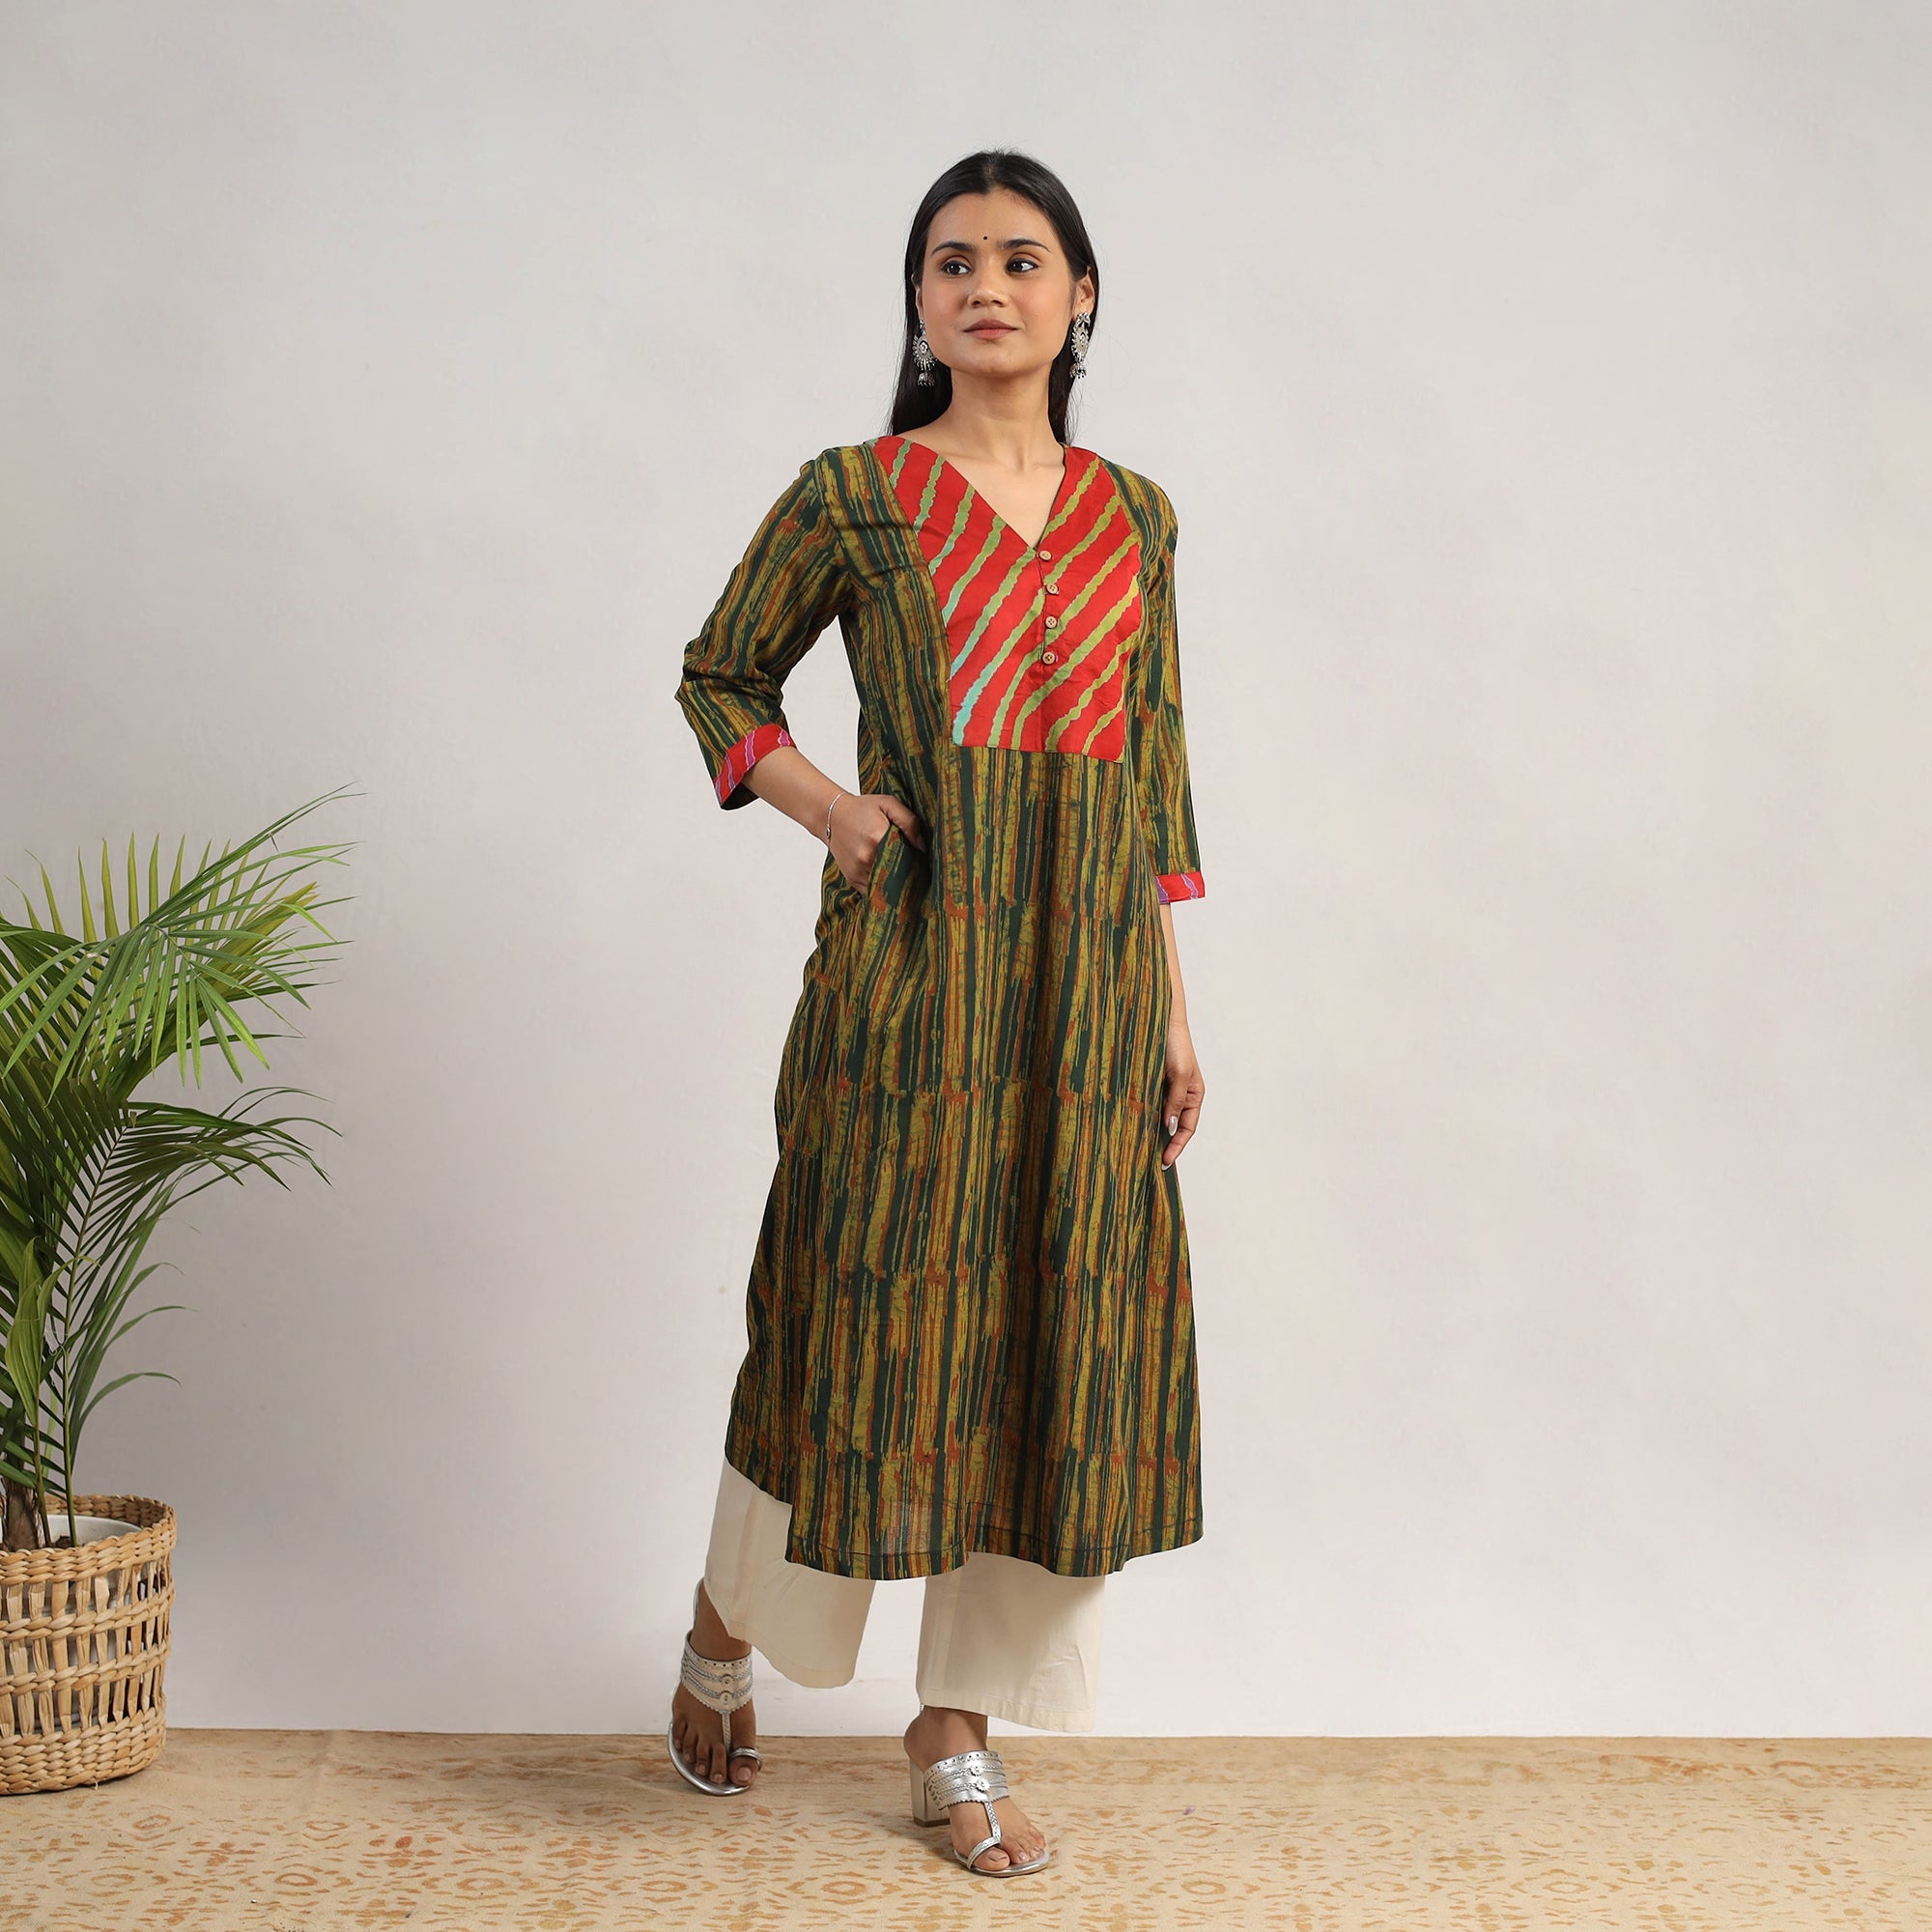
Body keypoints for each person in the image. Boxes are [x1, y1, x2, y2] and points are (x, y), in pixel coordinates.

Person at [667, 148, 1208, 1879]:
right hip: (913, 984)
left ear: (1080, 296)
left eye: (1022, 259)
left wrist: (1170, 1013)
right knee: (850, 1319)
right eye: (954, 261)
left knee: (1059, 1334)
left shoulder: (1137, 518)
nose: (988, 286)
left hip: (1088, 1000)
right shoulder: (857, 495)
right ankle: (728, 1622)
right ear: (919, 301)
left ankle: (954, 1732)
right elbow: (719, 675)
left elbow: (1152, 780)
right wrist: (830, 811)